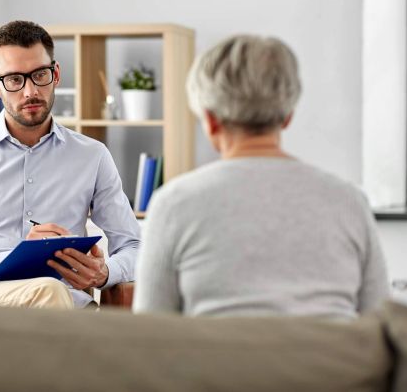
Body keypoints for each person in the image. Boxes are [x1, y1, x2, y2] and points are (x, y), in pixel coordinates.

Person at [132, 35, 389, 318]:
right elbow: (380, 325)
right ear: (288, 115)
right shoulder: (349, 201)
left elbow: (151, 336)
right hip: (332, 362)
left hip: (218, 363)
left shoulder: (173, 204)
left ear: (211, 119)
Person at [0, 20, 140, 309]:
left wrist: (105, 273)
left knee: (53, 294)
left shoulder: (93, 156)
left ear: (55, 75)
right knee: (48, 291)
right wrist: (21, 256)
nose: (30, 92)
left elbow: (134, 246)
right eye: (15, 79)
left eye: (40, 75)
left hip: (67, 306)